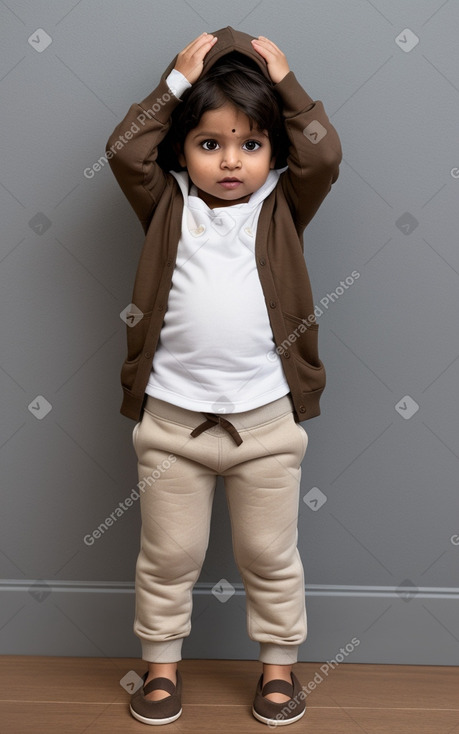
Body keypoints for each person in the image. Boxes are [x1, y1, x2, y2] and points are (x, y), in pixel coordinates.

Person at [106, 26, 341, 727]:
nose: (230, 161)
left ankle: (277, 670)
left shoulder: (280, 203)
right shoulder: (167, 203)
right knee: (167, 555)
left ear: (272, 153)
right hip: (172, 424)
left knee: (269, 555)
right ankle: (160, 670)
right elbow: (124, 151)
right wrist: (174, 83)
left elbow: (323, 151)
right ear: (182, 150)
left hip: (264, 425)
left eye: (249, 144)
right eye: (209, 144)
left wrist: (287, 82)